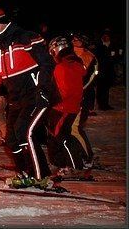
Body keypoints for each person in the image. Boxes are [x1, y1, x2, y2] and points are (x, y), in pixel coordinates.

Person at [0, 2, 54, 188]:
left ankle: (41, 176)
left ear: (5, 22)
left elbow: (46, 64)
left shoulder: (25, 38)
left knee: (25, 133)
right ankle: (24, 173)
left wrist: (43, 90)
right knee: (11, 139)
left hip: (34, 95)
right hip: (15, 98)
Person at [46, 36, 88, 174]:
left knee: (62, 136)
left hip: (63, 107)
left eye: (53, 52)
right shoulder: (73, 63)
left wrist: (50, 101)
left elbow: (63, 90)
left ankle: (75, 165)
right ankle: (59, 163)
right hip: (70, 106)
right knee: (56, 135)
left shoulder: (63, 66)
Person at [70, 33, 98, 165]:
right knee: (70, 128)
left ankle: (87, 155)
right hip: (70, 97)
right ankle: (78, 154)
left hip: (82, 97)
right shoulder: (70, 55)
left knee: (75, 127)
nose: (74, 41)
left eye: (77, 40)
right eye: (73, 39)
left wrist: (78, 91)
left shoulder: (89, 57)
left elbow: (90, 79)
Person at [94, 29, 115, 110]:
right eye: (104, 36)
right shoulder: (99, 46)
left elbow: (115, 57)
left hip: (109, 70)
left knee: (106, 88)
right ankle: (101, 104)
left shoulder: (112, 46)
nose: (105, 38)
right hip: (101, 70)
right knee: (100, 88)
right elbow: (97, 58)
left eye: (107, 36)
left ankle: (105, 104)